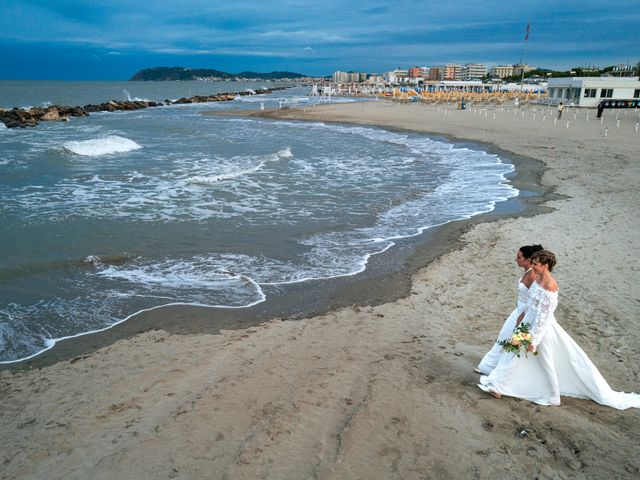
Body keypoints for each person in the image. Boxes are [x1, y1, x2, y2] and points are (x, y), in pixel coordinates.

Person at [478, 250, 640, 409]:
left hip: (541, 329)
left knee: (545, 361)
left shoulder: (550, 286)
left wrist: (534, 340)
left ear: (546, 265)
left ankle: (551, 396)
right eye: (533, 263)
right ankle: (499, 386)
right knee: (512, 352)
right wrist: (520, 322)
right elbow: (528, 305)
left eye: (536, 264)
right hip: (527, 322)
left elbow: (544, 317)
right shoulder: (537, 280)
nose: (532, 267)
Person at [474, 244, 543, 375]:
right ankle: (488, 367)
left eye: (519, 257)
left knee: (511, 340)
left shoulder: (532, 276)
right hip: (519, 310)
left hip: (525, 313)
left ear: (528, 260)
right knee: (504, 337)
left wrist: (523, 316)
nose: (515, 259)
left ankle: (492, 368)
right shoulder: (528, 273)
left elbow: (534, 301)